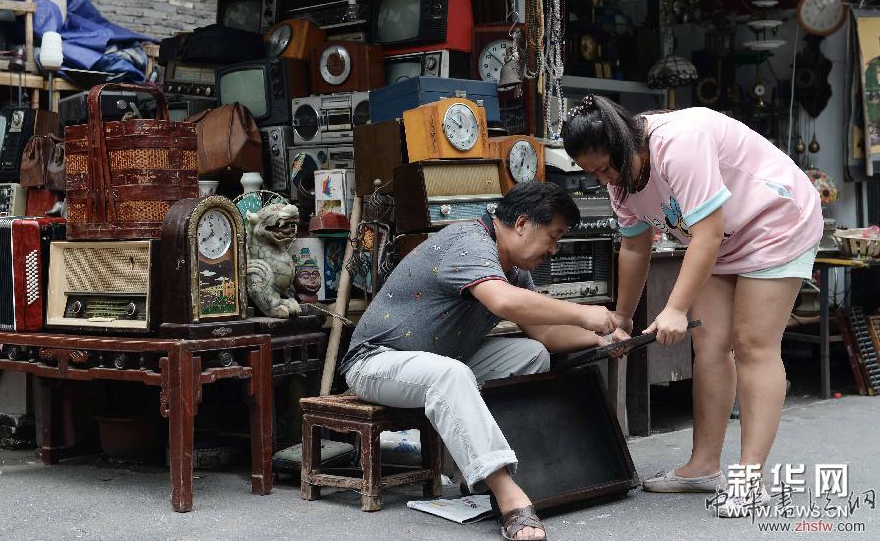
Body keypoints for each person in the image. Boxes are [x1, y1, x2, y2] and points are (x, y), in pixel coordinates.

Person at [562, 94, 823, 517]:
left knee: (753, 342)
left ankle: (749, 480)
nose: (605, 178)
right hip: (722, 236)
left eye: (607, 166)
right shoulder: (618, 183)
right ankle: (703, 466)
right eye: (593, 173)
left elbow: (706, 232)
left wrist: (676, 308)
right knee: (710, 344)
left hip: (775, 219)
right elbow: (633, 248)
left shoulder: (678, 143)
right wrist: (624, 319)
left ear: (628, 141)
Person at [339, 181, 622, 541]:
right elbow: (503, 302)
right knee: (451, 375)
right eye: (553, 236)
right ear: (521, 224)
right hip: (375, 364)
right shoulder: (469, 241)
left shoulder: (515, 269)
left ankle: (495, 472)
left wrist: (607, 338)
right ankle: (507, 496)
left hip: (442, 360)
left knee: (530, 354)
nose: (554, 249)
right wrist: (582, 314)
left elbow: (546, 335)